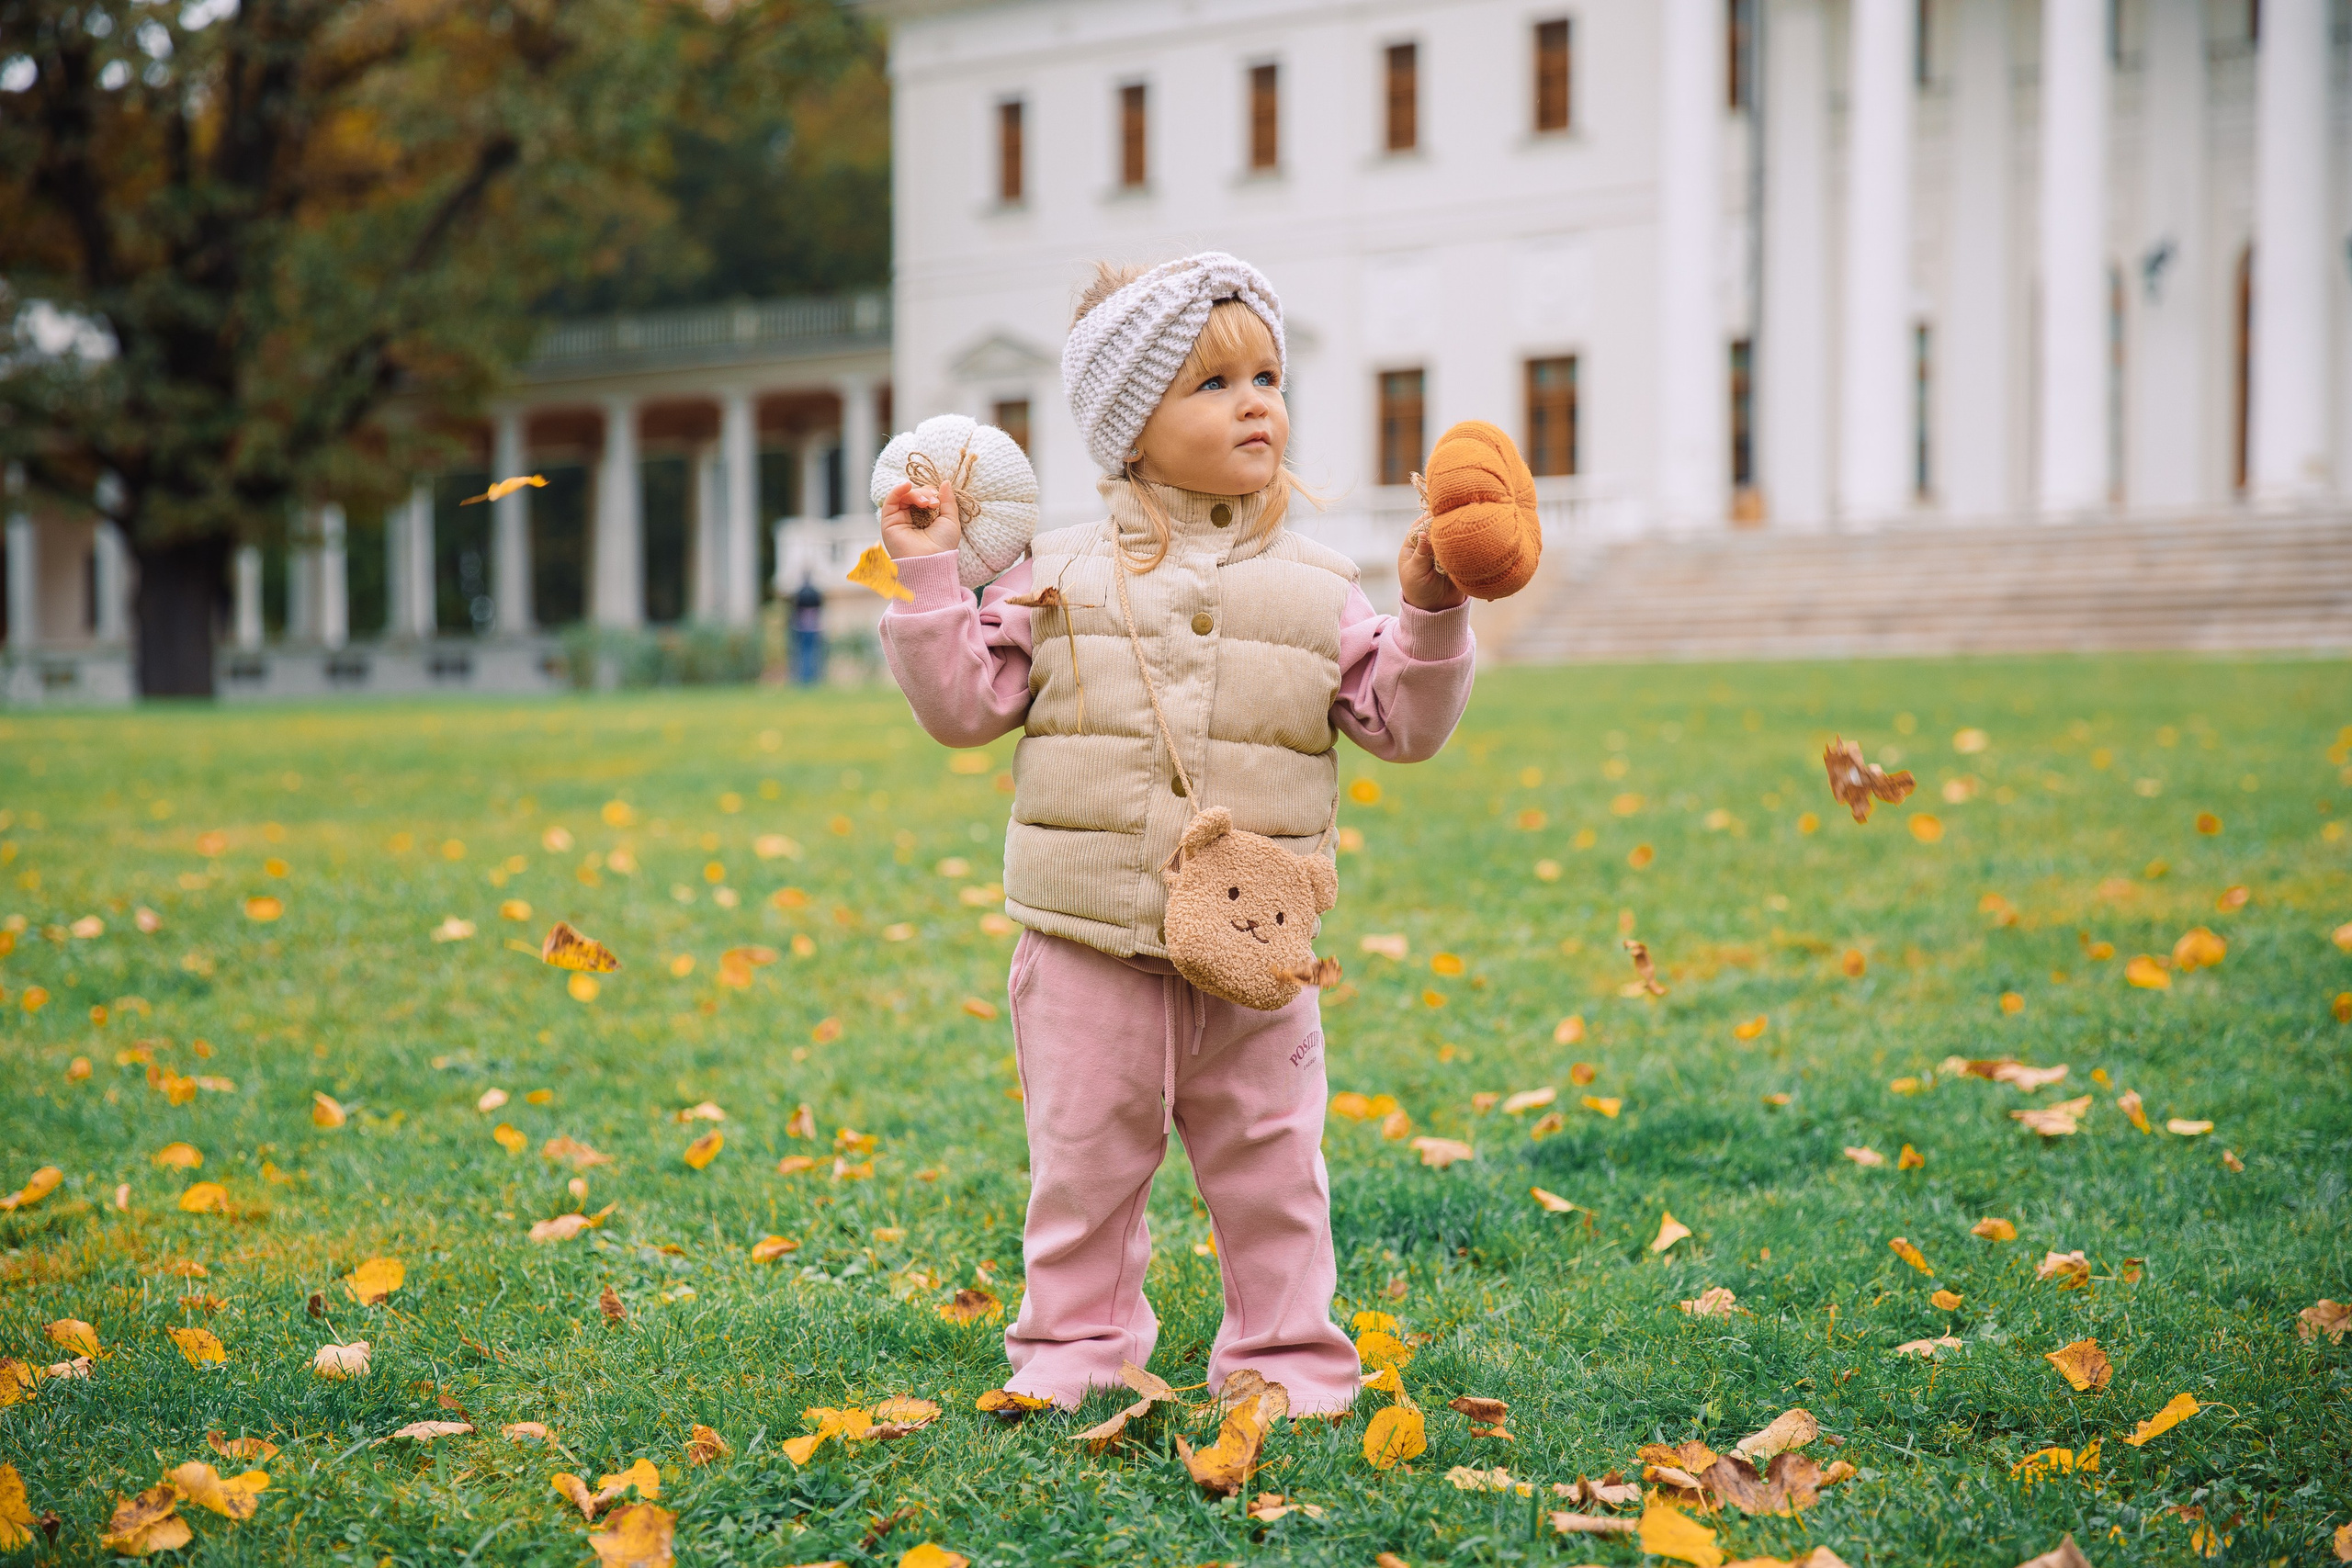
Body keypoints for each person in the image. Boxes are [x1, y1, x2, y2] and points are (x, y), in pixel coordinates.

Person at [876, 253, 1474, 1415]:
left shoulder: (1319, 586)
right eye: (1211, 385)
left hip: (1257, 950)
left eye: (1266, 376)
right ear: (1129, 428)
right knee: (1085, 1173)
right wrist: (930, 576)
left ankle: (1288, 1360)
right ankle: (1075, 1354)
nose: (1255, 401)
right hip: (1087, 944)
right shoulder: (1053, 576)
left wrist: (1431, 612)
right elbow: (962, 709)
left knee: (1273, 1174)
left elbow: (1400, 723)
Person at [790, 574, 826, 685]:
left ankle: (804, 678)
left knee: (803, 653)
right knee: (814, 653)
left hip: (801, 627)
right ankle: (813, 677)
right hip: (814, 627)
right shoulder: (815, 593)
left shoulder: (800, 593)